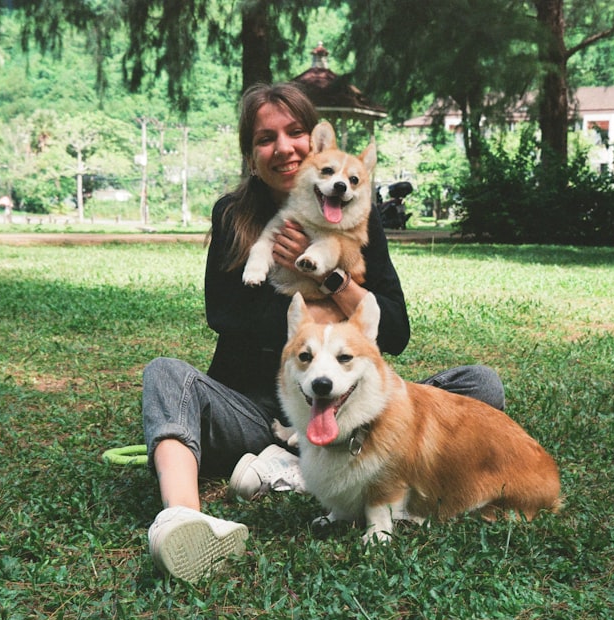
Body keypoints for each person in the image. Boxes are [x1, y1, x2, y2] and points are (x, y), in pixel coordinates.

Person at [142, 83, 505, 582]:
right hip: (259, 408)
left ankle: (294, 471)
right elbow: (224, 314)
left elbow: (394, 330)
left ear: (315, 144)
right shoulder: (234, 215)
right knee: (166, 377)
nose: (284, 147)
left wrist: (326, 279)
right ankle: (185, 515)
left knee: (479, 386)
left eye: (295, 132)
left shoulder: (356, 213)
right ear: (251, 155)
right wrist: (307, 326)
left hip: (350, 413)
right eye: (266, 138)